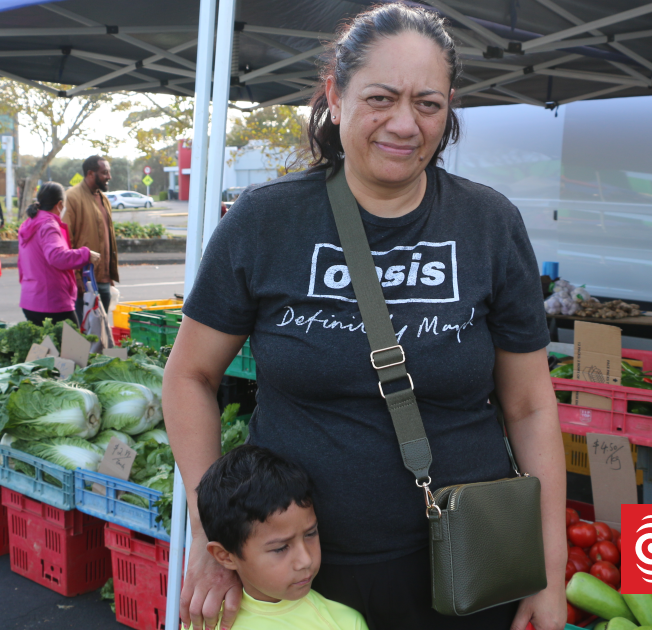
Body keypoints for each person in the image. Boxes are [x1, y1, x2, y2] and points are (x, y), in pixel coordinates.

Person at [163, 5, 565, 630]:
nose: (404, 124)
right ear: (335, 93)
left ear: (449, 107)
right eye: (381, 98)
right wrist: (213, 532)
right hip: (300, 575)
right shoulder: (266, 222)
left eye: (428, 104)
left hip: (468, 564)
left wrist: (550, 565)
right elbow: (189, 376)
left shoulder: (489, 225)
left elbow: (531, 406)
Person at [195, 445, 366, 630]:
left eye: (310, 534)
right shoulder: (206, 621)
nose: (305, 560)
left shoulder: (345, 623)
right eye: (280, 548)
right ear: (225, 556)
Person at [18, 182, 104, 326]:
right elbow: (57, 256)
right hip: (51, 302)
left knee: (44, 348)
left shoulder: (30, 223)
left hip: (30, 299)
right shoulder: (48, 225)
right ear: (59, 204)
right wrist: (86, 254)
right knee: (73, 347)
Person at [63, 156, 119, 322]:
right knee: (85, 332)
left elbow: (108, 237)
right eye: (104, 173)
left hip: (103, 279)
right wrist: (77, 276)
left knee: (101, 331)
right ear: (90, 173)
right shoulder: (72, 197)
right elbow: (67, 239)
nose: (109, 177)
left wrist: (110, 275)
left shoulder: (104, 199)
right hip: (85, 282)